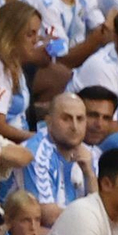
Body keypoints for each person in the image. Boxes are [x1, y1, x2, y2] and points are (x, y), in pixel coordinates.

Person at [22, 93, 93, 225]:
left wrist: (89, 173)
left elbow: (98, 206)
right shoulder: (37, 153)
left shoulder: (87, 153)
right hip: (27, 233)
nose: (74, 127)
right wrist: (91, 221)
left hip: (72, 229)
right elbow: (48, 217)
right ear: (49, 121)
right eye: (66, 119)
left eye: (80, 119)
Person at [0, 1, 45, 143]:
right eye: (30, 34)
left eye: (37, 34)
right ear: (11, 34)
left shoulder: (14, 66)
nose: (35, 41)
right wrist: (37, 138)